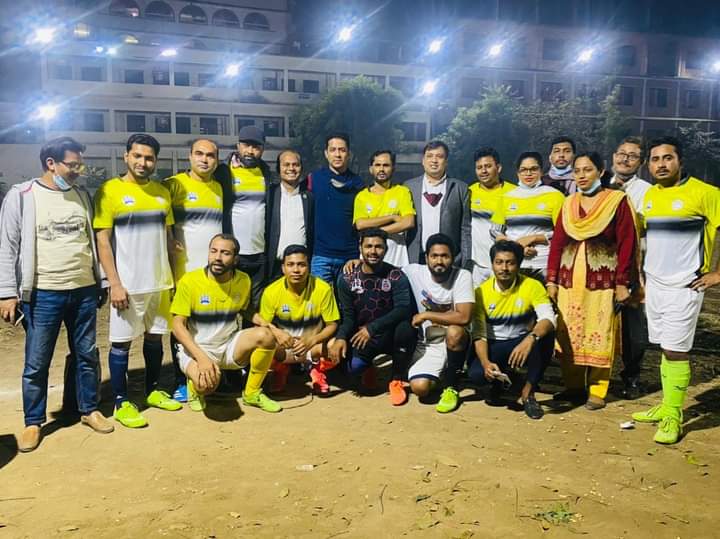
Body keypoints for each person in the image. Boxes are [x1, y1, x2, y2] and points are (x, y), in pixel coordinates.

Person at [0, 137, 113, 452]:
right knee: (37, 361)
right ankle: (33, 421)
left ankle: (89, 409)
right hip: (42, 294)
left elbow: (90, 242)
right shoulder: (22, 196)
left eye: (80, 165)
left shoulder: (81, 195)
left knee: (87, 355)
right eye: (72, 165)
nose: (78, 171)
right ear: (51, 163)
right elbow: (7, 247)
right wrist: (6, 293)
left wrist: (101, 281)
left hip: (83, 290)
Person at [631, 136, 720, 444]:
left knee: (676, 349)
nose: (661, 164)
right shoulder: (649, 196)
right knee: (664, 346)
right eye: (655, 159)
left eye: (667, 158)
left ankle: (673, 415)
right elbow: (642, 238)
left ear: (680, 161)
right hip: (654, 283)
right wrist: (640, 276)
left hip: (685, 284)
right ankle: (667, 404)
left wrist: (717, 273)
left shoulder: (705, 192)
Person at [94, 133, 182, 428]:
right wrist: (114, 283)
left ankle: (153, 391)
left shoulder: (162, 192)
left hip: (160, 282)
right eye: (137, 156)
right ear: (126, 157)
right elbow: (103, 241)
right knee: (121, 344)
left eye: (149, 158)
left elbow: (168, 238)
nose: (143, 162)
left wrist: (174, 277)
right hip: (128, 285)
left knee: (155, 338)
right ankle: (121, 402)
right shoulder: (109, 190)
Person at [547, 151, 638, 410]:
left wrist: (623, 282)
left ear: (600, 171)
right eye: (577, 171)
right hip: (568, 281)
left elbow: (627, 243)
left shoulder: (616, 201)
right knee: (568, 333)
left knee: (599, 332)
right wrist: (551, 280)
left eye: (587, 170)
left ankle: (597, 390)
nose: (581, 176)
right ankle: (574, 387)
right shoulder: (569, 204)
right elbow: (558, 243)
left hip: (602, 281)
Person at [170, 234, 281, 413]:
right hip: (197, 349)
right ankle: (194, 388)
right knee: (207, 385)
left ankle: (252, 393)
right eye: (213, 251)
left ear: (235, 259)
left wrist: (273, 328)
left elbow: (246, 310)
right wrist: (201, 358)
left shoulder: (243, 280)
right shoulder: (189, 281)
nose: (218, 257)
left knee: (266, 336)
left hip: (228, 346)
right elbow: (177, 325)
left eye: (225, 253)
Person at [164, 138, 223, 402]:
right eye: (199, 154)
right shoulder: (174, 185)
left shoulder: (218, 188)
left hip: (213, 273)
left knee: (208, 325)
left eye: (210, 155)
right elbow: (162, 221)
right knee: (180, 325)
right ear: (189, 156)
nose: (204, 159)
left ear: (217, 160)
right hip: (183, 271)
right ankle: (181, 380)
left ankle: (210, 373)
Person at [469, 240, 556, 419]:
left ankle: (528, 393)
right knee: (477, 375)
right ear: (492, 264)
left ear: (519, 264)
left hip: (521, 341)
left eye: (510, 263)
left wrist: (530, 338)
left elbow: (548, 318)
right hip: (494, 344)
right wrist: (485, 363)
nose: (504, 268)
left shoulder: (532, 285)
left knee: (545, 336)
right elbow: (479, 334)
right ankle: (503, 381)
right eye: (499, 262)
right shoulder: (480, 292)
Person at [331, 228, 416, 405]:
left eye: (378, 247)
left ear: (386, 249)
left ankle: (396, 379)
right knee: (353, 368)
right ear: (360, 248)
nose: (373, 251)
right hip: (363, 336)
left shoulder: (396, 275)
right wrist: (341, 337)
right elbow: (348, 317)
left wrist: (372, 328)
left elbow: (403, 309)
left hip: (389, 333)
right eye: (368, 246)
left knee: (406, 329)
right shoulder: (347, 278)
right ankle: (367, 366)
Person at [403, 233, 474, 413]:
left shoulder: (462, 276)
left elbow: (464, 317)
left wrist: (427, 315)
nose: (439, 261)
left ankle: (451, 386)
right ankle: (442, 374)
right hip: (428, 344)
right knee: (419, 388)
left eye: (445, 256)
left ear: (453, 258)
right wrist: (358, 262)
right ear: (426, 257)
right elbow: (384, 270)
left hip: (456, 341)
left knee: (454, 332)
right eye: (434, 256)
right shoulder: (414, 272)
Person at [260, 245, 339, 395]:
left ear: (309, 267)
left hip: (312, 347)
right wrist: (278, 334)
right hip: (284, 348)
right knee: (260, 344)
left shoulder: (323, 288)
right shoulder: (271, 291)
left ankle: (317, 370)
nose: (296, 270)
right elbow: (263, 325)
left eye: (301, 264)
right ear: (283, 268)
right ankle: (280, 370)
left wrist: (312, 340)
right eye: (290, 265)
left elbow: (332, 324)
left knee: (336, 345)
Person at [607, 136, 652, 399]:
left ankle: (631, 378)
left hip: (634, 267)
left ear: (641, 162)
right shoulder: (599, 185)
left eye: (632, 155)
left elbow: (645, 227)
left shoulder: (647, 191)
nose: (625, 159)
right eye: (621, 153)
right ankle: (592, 379)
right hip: (601, 266)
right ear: (613, 156)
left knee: (633, 329)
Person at [220, 126, 272, 305]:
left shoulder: (266, 173)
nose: (250, 151)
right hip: (233, 253)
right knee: (230, 303)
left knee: (255, 304)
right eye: (246, 145)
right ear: (238, 145)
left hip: (259, 253)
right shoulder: (224, 171)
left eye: (256, 147)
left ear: (262, 150)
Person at [493, 152, 565, 282]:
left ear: (541, 171)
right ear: (517, 173)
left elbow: (563, 233)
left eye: (533, 169)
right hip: (513, 265)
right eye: (523, 170)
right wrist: (517, 247)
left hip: (544, 264)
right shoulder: (506, 197)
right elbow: (495, 231)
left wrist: (535, 238)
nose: (528, 173)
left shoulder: (555, 196)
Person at [307, 133, 364, 285]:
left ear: (349, 154)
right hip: (321, 256)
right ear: (326, 153)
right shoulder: (314, 179)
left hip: (350, 257)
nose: (337, 154)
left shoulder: (358, 184)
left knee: (349, 300)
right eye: (333, 150)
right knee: (321, 299)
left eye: (342, 150)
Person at [406, 141, 471, 268]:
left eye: (439, 156)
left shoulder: (460, 188)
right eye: (429, 156)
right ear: (423, 161)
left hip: (448, 260)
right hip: (415, 259)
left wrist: (465, 262)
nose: (434, 160)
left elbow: (465, 230)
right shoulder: (409, 187)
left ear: (446, 161)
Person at [353, 150, 415, 267]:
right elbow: (360, 224)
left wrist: (377, 232)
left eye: (386, 165)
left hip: (396, 260)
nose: (381, 169)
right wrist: (392, 217)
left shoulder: (402, 192)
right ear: (371, 169)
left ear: (393, 168)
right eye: (377, 165)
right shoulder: (362, 196)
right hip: (369, 259)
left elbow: (408, 222)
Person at [468, 146, 516, 286]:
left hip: (506, 263)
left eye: (488, 166)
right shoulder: (469, 192)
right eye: (479, 167)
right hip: (477, 264)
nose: (483, 171)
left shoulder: (514, 192)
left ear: (498, 168)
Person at [266, 150, 314, 282]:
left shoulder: (309, 197)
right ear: (278, 168)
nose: (291, 169)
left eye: (295, 165)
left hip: (300, 268)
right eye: (286, 165)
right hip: (274, 266)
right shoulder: (270, 194)